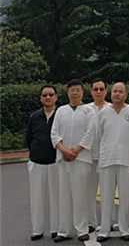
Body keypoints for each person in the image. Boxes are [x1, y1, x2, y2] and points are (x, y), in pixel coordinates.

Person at [51, 79, 96, 243]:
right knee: (64, 195)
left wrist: (76, 150)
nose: (75, 93)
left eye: (78, 90)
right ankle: (63, 230)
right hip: (63, 158)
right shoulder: (61, 110)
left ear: (82, 92)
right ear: (67, 92)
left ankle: (82, 229)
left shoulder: (89, 110)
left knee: (80, 195)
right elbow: (54, 133)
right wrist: (63, 150)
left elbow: (90, 132)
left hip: (81, 158)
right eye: (72, 90)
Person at [96, 83, 129, 243]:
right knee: (107, 196)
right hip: (107, 159)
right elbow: (99, 135)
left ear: (126, 94)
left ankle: (124, 227)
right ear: (111, 93)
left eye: (120, 92)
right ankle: (104, 228)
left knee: (125, 195)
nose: (117, 94)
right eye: (115, 91)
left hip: (126, 159)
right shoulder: (104, 113)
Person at [26, 84, 60, 241]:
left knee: (56, 198)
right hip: (36, 163)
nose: (47, 97)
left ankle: (56, 229)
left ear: (56, 97)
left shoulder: (60, 115)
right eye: (44, 95)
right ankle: (37, 230)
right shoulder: (34, 117)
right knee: (36, 198)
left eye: (50, 94)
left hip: (55, 163)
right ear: (40, 98)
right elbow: (29, 138)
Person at [86, 78, 109, 234]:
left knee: (108, 191)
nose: (99, 92)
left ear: (106, 91)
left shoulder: (111, 108)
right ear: (91, 91)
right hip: (89, 155)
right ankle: (91, 222)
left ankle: (110, 221)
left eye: (101, 89)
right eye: (96, 89)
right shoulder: (85, 109)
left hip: (107, 156)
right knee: (90, 191)